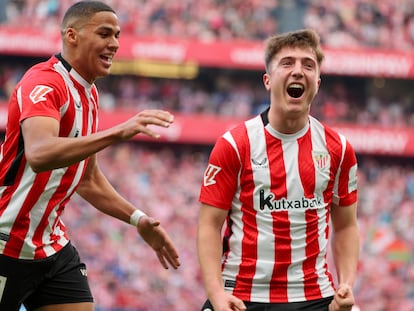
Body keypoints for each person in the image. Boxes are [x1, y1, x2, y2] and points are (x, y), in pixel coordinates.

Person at [0, 2, 180, 311]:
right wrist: (116, 133)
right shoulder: (44, 83)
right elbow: (40, 153)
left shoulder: (89, 93)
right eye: (104, 33)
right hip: (5, 242)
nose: (115, 44)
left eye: (118, 35)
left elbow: (87, 178)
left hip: (52, 248)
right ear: (72, 36)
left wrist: (137, 219)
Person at [197, 29, 359, 311]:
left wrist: (346, 284)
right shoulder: (235, 144)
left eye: (308, 65)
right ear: (268, 80)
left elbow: (346, 225)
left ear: (317, 83)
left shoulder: (339, 149)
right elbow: (209, 225)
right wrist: (216, 294)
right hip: (242, 295)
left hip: (314, 296)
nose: (298, 71)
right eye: (287, 63)